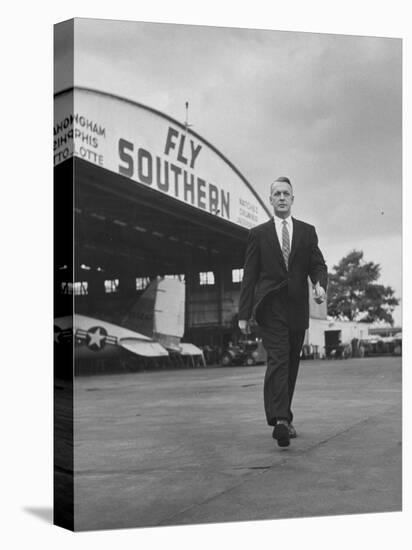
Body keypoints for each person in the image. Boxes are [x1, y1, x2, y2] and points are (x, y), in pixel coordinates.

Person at [238, 176, 327, 447]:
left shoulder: (307, 232)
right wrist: (243, 314)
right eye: (276, 193)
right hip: (270, 306)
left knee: (290, 362)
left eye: (285, 193)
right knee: (278, 359)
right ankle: (279, 420)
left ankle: (284, 417)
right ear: (270, 199)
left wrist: (320, 285)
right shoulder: (258, 234)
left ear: (292, 198)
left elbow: (318, 265)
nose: (281, 197)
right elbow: (249, 275)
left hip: (297, 307)